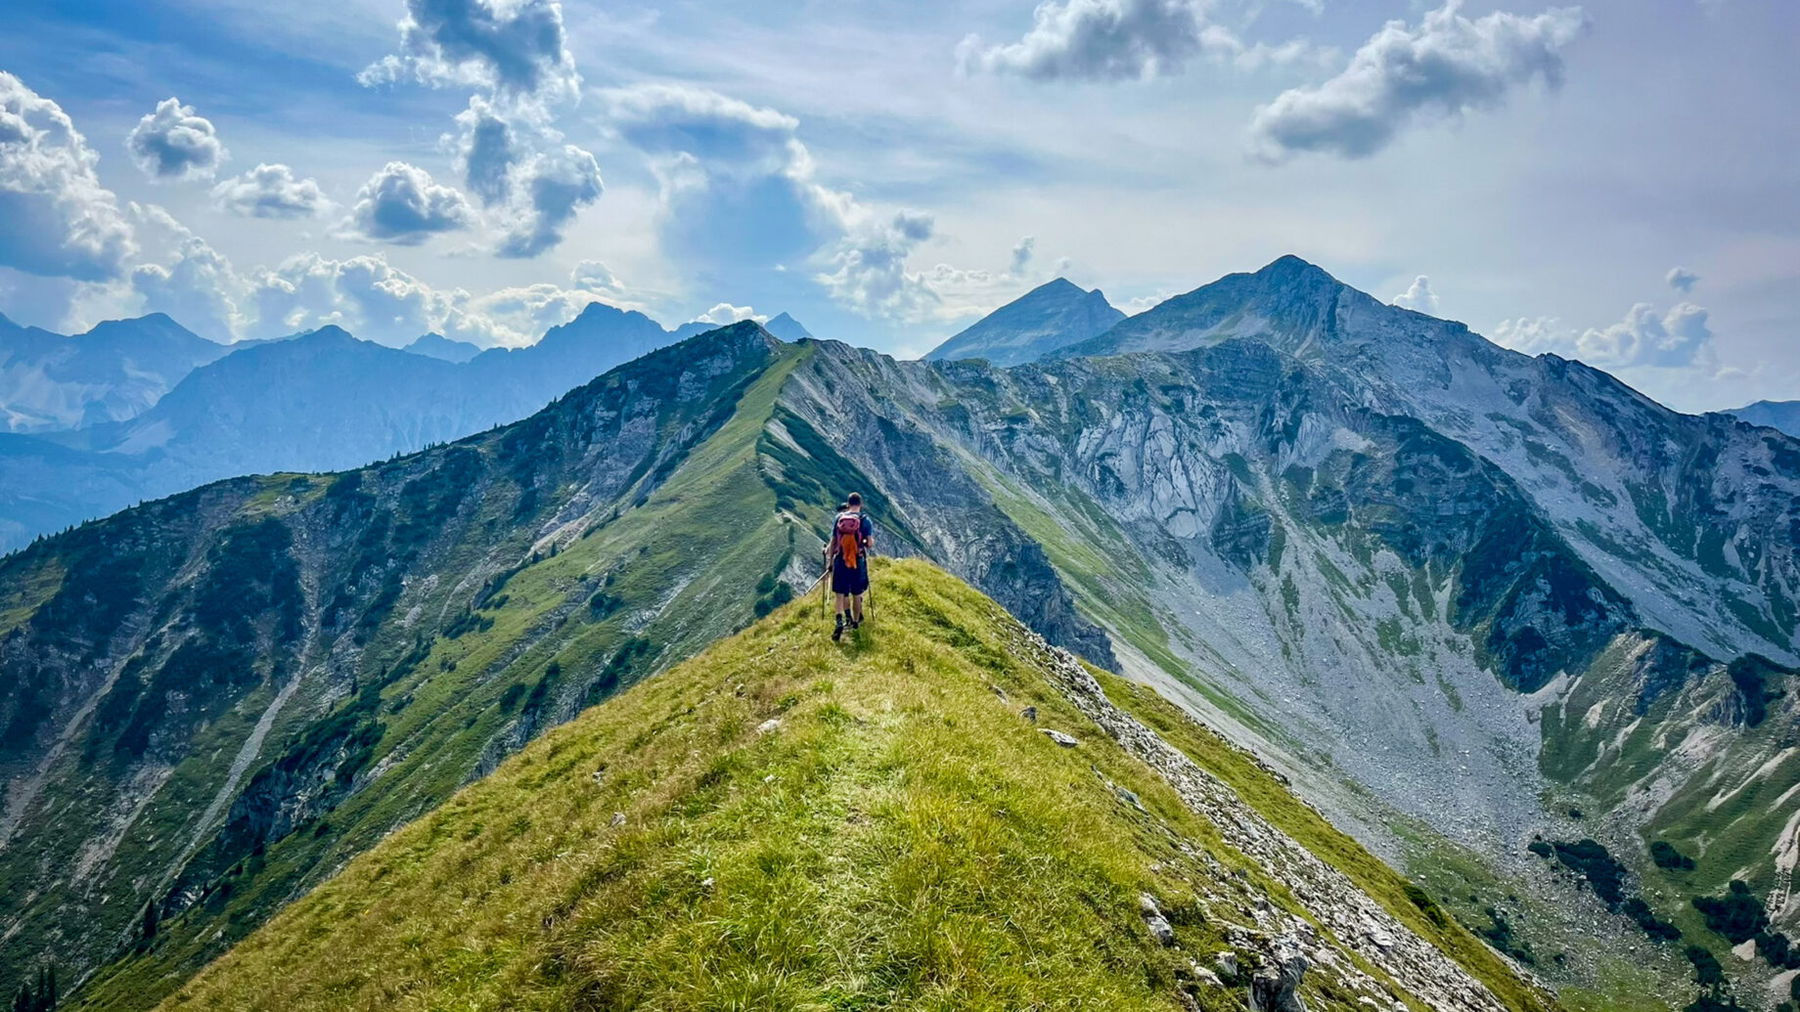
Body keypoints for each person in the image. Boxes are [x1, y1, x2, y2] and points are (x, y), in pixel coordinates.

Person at [825, 492, 873, 640]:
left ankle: (839, 621)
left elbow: (833, 542)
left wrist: (830, 562)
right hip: (857, 561)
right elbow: (869, 544)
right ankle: (856, 623)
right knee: (857, 594)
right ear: (861, 504)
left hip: (840, 560)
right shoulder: (865, 520)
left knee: (840, 593)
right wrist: (865, 542)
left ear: (848, 503)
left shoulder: (839, 518)